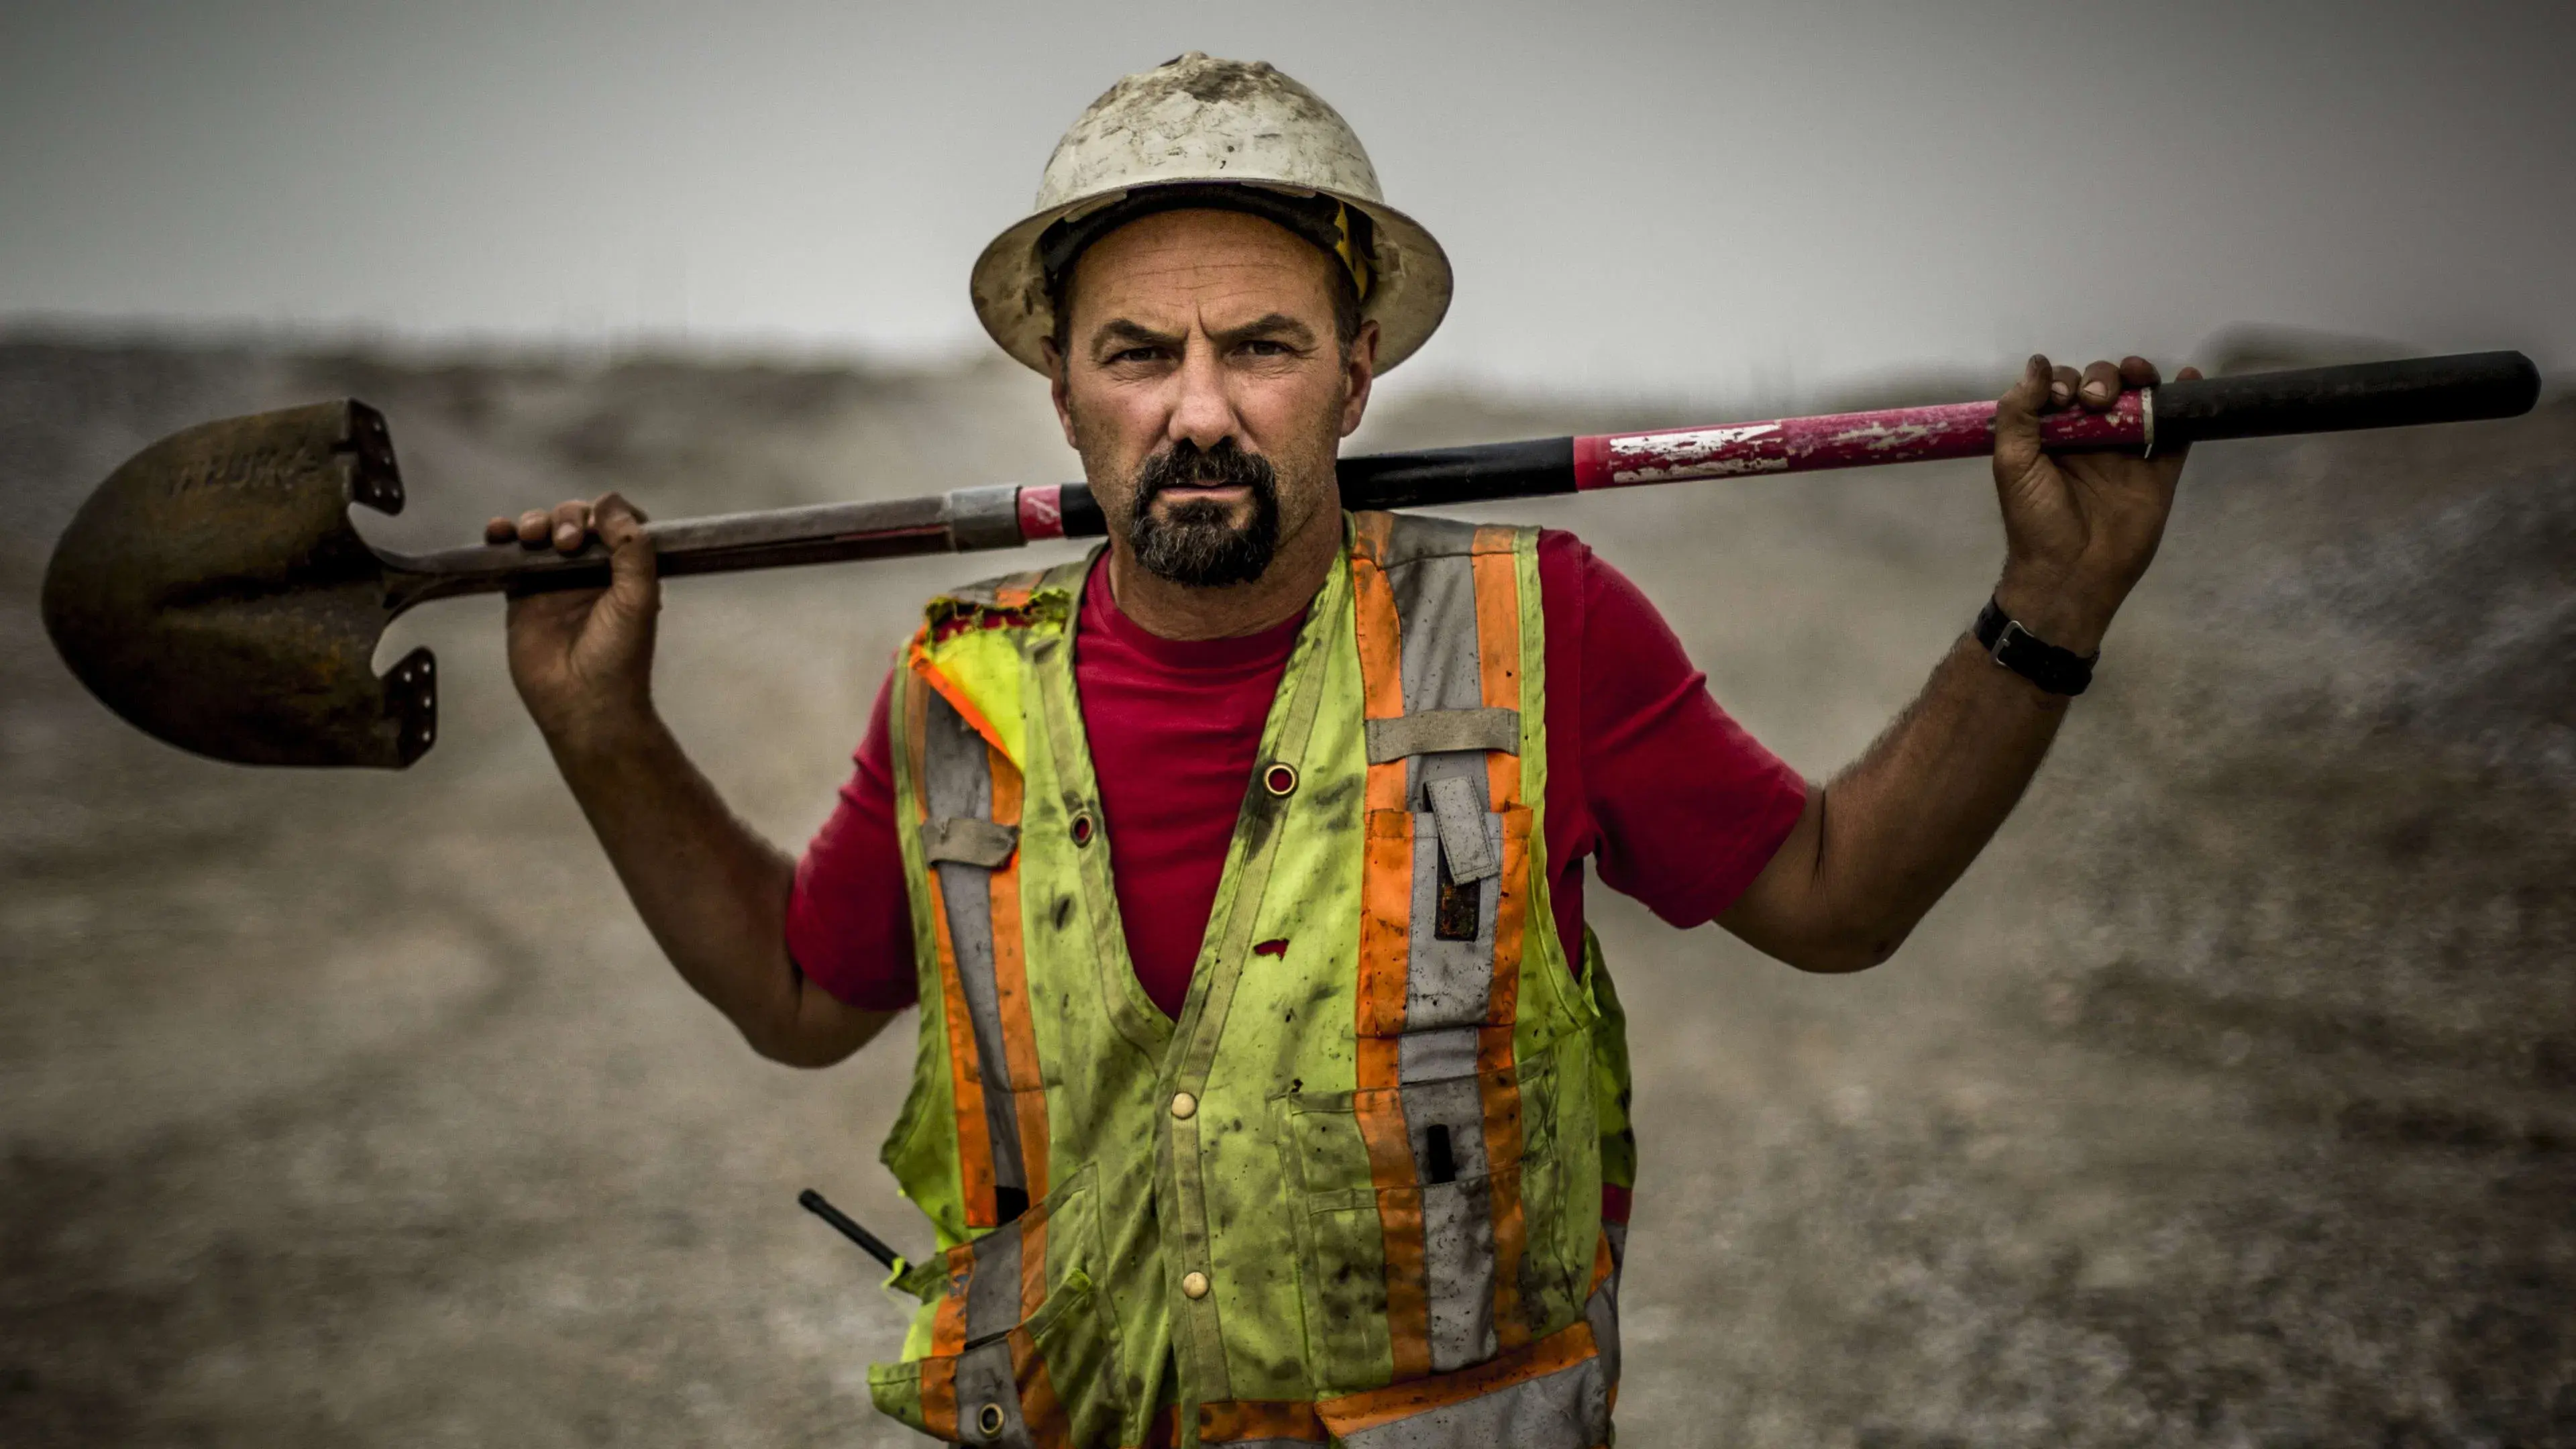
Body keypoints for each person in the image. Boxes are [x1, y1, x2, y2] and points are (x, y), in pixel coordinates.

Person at [487, 52, 2196, 1449]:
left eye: (1264, 347)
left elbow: (1837, 899)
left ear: (1356, 377)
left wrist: (2048, 603)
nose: (1202, 408)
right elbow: (797, 999)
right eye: (1140, 355)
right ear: (1066, 398)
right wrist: (601, 728)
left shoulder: (1544, 631)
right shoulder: (967, 692)